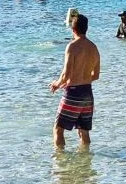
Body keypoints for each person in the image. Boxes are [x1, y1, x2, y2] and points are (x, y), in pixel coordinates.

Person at [51, 12, 100, 150]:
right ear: (86, 28)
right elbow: (96, 75)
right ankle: (86, 161)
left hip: (73, 93)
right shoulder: (94, 47)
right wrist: (81, 78)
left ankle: (60, 162)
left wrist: (56, 83)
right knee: (84, 131)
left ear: (73, 29)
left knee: (58, 128)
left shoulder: (72, 47)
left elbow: (66, 75)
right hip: (87, 94)